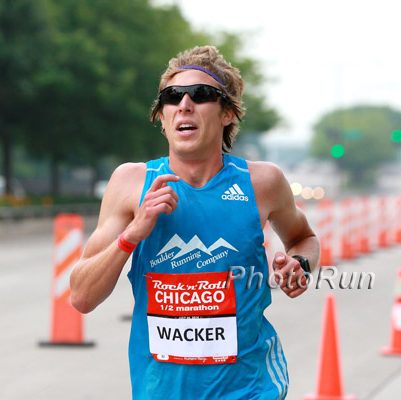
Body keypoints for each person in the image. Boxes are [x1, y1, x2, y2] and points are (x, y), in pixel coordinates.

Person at [70, 45, 319, 400]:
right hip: (160, 391)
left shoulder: (262, 182)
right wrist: (133, 233)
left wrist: (300, 265)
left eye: (201, 94)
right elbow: (82, 297)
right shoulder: (131, 183)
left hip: (249, 389)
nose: (184, 104)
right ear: (162, 116)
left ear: (227, 113)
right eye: (172, 97)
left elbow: (304, 238)